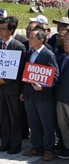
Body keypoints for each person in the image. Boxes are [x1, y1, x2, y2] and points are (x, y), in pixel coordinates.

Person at [0, 16, 27, 154]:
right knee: (3, 116)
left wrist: (6, 80)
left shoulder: (19, 46)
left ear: (11, 30)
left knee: (15, 117)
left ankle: (15, 145)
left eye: (3, 28)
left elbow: (20, 69)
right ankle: (5, 143)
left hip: (13, 88)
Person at [22, 27, 59, 161]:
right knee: (33, 123)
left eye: (32, 37)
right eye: (29, 37)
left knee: (46, 123)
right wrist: (23, 91)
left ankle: (49, 149)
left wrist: (43, 87)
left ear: (41, 40)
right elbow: (26, 73)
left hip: (43, 96)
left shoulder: (48, 54)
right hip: (29, 94)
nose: (29, 40)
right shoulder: (29, 52)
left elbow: (54, 76)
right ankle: (36, 147)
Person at [56, 29, 69, 160]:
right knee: (63, 125)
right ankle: (67, 147)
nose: (66, 44)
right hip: (60, 97)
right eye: (65, 41)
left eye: (68, 42)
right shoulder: (61, 57)